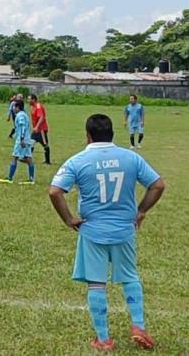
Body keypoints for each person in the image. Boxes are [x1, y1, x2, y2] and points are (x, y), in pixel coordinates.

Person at [49, 114, 164, 351]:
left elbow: (54, 191)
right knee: (130, 276)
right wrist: (141, 211)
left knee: (96, 284)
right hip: (124, 229)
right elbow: (158, 185)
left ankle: (103, 339)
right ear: (112, 133)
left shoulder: (78, 161)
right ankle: (139, 326)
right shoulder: (131, 158)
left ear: (88, 135)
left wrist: (69, 219)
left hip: (93, 230)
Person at [0, 99, 35, 185]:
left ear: (18, 107)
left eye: (14, 106)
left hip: (22, 139)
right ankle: (31, 179)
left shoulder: (20, 116)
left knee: (14, 157)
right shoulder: (23, 114)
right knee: (28, 158)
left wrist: (22, 139)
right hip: (26, 138)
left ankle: (10, 178)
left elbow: (22, 127)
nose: (13, 108)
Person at [28, 93, 51, 164]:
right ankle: (27, 158)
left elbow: (41, 117)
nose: (28, 100)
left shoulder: (38, 106)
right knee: (30, 143)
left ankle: (47, 161)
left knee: (45, 144)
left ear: (33, 99)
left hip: (41, 130)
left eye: (29, 99)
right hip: (36, 130)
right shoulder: (34, 107)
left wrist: (37, 126)